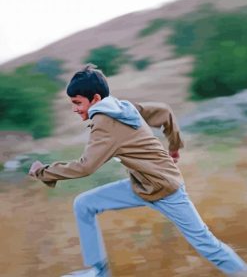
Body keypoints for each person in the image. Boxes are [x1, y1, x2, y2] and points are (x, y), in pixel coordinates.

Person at [29, 64, 247, 277]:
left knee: (208, 246)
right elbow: (164, 112)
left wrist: (43, 172)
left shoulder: (104, 121)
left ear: (95, 99)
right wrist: (174, 146)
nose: (75, 109)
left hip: (166, 190)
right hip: (142, 187)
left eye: (78, 103)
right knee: (84, 204)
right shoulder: (124, 107)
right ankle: (98, 271)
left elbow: (86, 166)